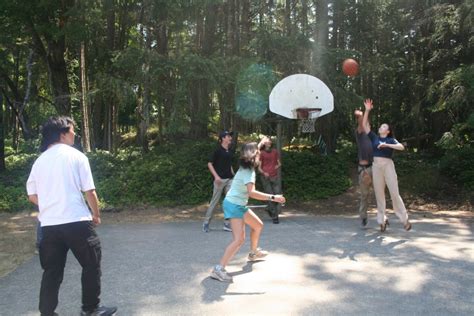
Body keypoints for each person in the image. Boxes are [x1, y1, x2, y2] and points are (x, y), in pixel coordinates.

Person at [26, 116, 117, 316]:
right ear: (63, 134)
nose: (75, 134)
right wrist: (96, 214)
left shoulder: (39, 161)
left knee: (52, 272)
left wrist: (51, 203)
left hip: (49, 225)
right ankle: (91, 309)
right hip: (77, 223)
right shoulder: (76, 156)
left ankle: (47, 313)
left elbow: (32, 195)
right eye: (72, 130)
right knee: (91, 264)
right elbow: (90, 191)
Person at [210, 137, 286, 282]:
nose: (260, 155)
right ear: (254, 156)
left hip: (238, 204)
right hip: (234, 205)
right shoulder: (249, 173)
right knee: (239, 239)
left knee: (258, 225)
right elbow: (252, 193)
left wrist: (261, 143)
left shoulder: (245, 167)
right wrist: (273, 197)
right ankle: (218, 269)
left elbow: (251, 151)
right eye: (258, 153)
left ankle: (253, 253)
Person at [362, 100, 412, 232]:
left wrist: (387, 145)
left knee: (394, 193)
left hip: (388, 166)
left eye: (384, 126)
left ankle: (404, 220)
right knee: (379, 195)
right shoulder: (374, 138)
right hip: (376, 166)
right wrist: (367, 110)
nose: (381, 127)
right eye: (381, 126)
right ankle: (382, 220)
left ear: (388, 131)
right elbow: (365, 125)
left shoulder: (390, 140)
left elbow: (401, 147)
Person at [202, 131, 235, 233]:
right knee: (214, 202)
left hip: (230, 179)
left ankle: (226, 224)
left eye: (230, 136)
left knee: (229, 202)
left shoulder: (229, 151)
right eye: (228, 136)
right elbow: (209, 164)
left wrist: (234, 175)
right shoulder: (217, 151)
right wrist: (216, 177)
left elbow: (229, 164)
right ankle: (206, 223)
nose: (230, 138)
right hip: (219, 180)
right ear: (223, 138)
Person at [354, 102, 374, 228]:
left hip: (375, 167)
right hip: (364, 169)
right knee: (365, 195)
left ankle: (382, 217)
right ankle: (363, 217)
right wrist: (362, 114)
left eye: (368, 124)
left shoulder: (373, 137)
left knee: (380, 194)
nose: (366, 125)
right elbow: (361, 123)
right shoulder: (360, 134)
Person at [258, 137, 282, 224]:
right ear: (264, 143)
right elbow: (259, 168)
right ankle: (275, 217)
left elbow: (279, 163)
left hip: (274, 176)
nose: (269, 142)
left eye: (270, 141)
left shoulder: (275, 152)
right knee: (270, 196)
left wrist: (274, 168)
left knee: (278, 195)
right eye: (267, 140)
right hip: (265, 177)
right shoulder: (262, 153)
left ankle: (269, 208)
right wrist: (264, 173)